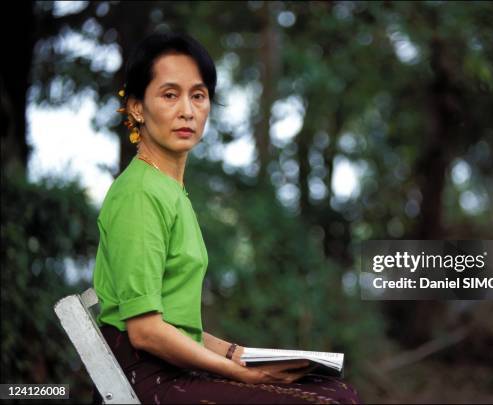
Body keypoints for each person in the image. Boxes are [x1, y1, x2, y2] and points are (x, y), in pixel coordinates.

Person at [91, 31, 361, 404]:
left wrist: (238, 353)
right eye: (170, 95)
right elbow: (147, 332)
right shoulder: (139, 194)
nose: (187, 110)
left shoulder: (168, 190)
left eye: (198, 95)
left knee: (333, 389)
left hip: (176, 369)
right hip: (155, 381)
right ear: (137, 107)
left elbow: (178, 324)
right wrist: (241, 374)